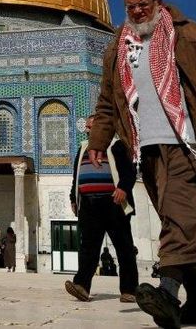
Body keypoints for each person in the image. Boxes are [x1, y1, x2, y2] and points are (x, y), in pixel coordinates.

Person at [87, 0, 196, 327]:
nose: (137, 10)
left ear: (159, 3)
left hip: (186, 142)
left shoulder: (192, 36)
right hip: (143, 148)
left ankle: (167, 291)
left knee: (179, 215)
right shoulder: (118, 47)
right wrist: (98, 142)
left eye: (144, 3)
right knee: (174, 219)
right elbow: (108, 102)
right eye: (130, 5)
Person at [66, 115, 138, 304]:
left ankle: (129, 290)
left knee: (124, 248)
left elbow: (129, 172)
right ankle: (81, 286)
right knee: (88, 248)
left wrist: (122, 187)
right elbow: (76, 176)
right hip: (88, 205)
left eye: (91, 126)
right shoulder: (83, 149)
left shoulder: (116, 146)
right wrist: (74, 199)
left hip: (113, 203)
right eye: (87, 128)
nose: (88, 130)